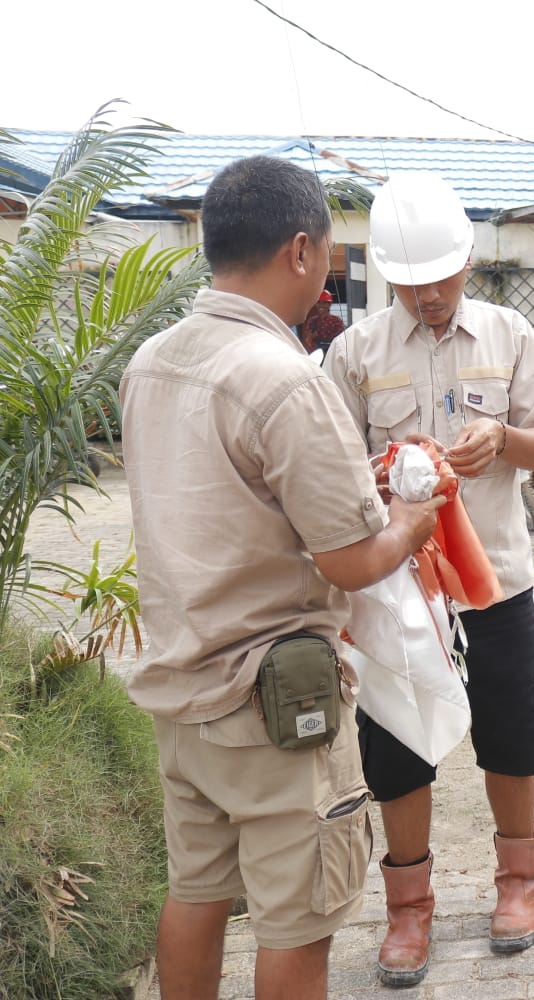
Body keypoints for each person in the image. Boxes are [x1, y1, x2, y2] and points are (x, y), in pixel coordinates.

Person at [120, 155, 445, 1000]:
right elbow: (350, 559)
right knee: (297, 922)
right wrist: (409, 523)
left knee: (197, 891)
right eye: (333, 255)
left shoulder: (152, 361)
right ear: (301, 250)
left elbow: (235, 500)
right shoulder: (284, 377)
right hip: (276, 710)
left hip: (183, 689)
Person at [324, 172, 534, 984]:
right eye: (409, 282)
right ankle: (409, 911)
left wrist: (502, 439)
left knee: (511, 734)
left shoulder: (508, 336)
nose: (428, 295)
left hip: (492, 580)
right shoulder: (354, 352)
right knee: (396, 743)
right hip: (395, 592)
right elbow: (327, 471)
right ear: (387, 276)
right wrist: (385, 469)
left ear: (467, 262)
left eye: (441, 278)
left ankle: (517, 884)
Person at [299, 289, 346, 355]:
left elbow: (341, 341)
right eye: (318, 302)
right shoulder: (312, 321)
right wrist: (310, 338)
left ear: (330, 304)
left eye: (324, 302)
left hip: (332, 354)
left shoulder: (336, 321)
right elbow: (308, 341)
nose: (321, 305)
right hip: (316, 355)